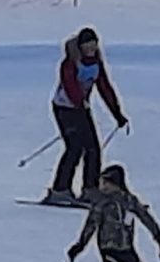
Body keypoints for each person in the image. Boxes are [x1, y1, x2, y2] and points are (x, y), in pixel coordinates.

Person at [44, 27, 127, 204]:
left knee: (93, 148)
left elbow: (105, 87)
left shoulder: (96, 63)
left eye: (93, 45)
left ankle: (90, 189)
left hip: (82, 108)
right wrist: (80, 104)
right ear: (80, 47)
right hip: (65, 109)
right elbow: (70, 85)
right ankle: (60, 190)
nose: (90, 49)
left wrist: (117, 114)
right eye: (87, 45)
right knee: (74, 147)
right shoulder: (70, 62)